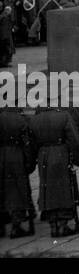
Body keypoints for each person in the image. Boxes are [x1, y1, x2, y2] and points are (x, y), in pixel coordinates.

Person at [31, 100, 79, 238]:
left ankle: (53, 224)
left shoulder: (35, 119)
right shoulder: (64, 115)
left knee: (47, 189)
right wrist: (77, 159)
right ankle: (63, 225)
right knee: (63, 189)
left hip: (43, 155)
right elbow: (74, 139)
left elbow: (32, 141)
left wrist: (35, 157)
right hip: (61, 153)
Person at [0, 102, 36, 239]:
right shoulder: (21, 119)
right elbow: (28, 144)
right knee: (17, 191)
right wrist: (29, 163)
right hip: (16, 156)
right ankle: (16, 226)